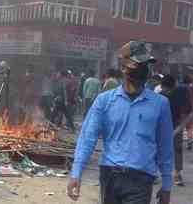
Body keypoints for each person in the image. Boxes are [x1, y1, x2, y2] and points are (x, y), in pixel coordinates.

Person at [68, 41, 173, 204]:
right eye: (138, 64)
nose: (143, 70)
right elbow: (87, 138)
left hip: (141, 179)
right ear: (124, 67)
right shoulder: (104, 101)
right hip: (110, 176)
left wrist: (166, 184)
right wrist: (76, 172)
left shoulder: (160, 104)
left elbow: (165, 146)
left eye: (146, 65)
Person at [160, 74, 185, 186]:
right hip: (169, 126)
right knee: (173, 150)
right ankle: (175, 174)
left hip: (172, 125)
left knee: (176, 149)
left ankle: (177, 174)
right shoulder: (161, 96)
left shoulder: (176, 95)